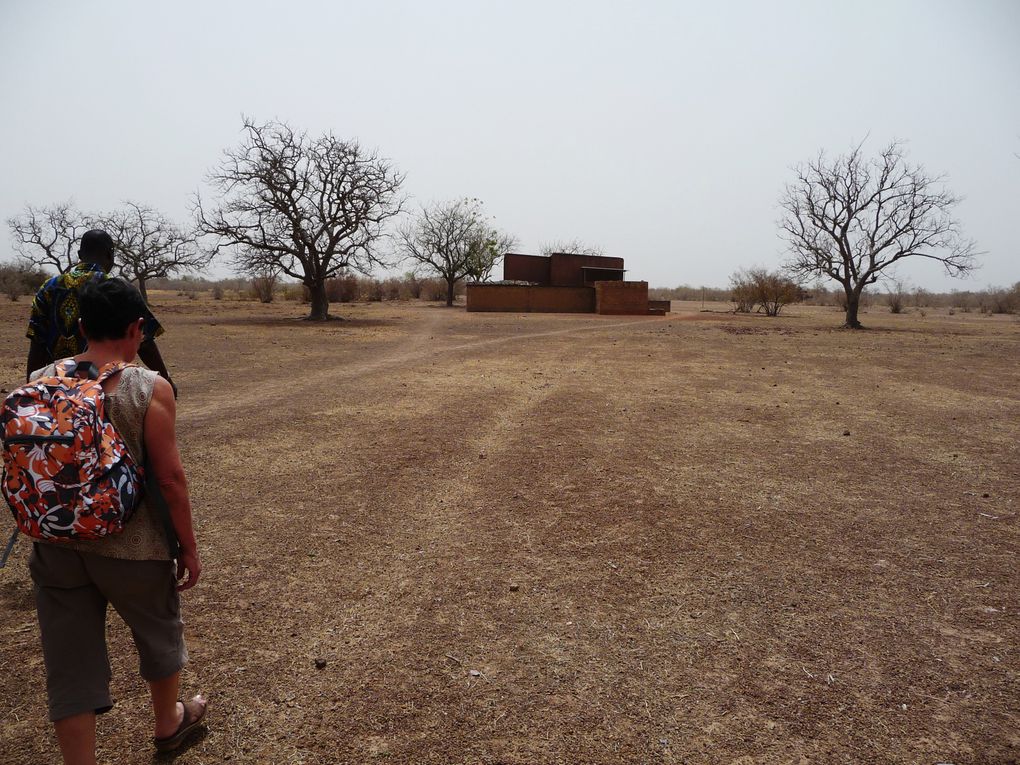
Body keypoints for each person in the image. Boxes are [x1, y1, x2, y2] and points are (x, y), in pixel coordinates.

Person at [26, 277, 205, 762]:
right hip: (135, 546)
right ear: (137, 327)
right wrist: (187, 546)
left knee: (70, 663)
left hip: (57, 545)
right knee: (158, 632)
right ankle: (168, 723)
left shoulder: (41, 379)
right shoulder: (148, 387)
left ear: (81, 326)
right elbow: (170, 480)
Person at [25, 229, 176, 395]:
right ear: (110, 255)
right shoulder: (118, 289)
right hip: (104, 388)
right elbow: (145, 343)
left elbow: (37, 344)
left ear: (80, 254)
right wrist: (166, 379)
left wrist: (32, 388)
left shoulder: (48, 288)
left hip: (57, 387)